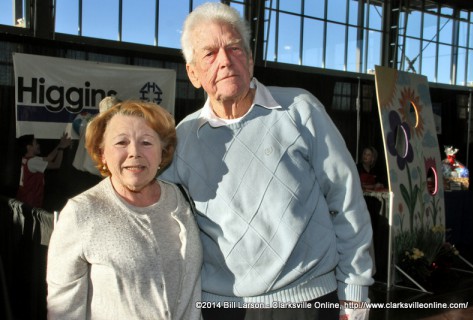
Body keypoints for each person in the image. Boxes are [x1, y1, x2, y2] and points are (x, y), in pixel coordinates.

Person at [160, 3, 373, 319]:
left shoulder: (300, 109)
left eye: (235, 48)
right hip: (222, 307)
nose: (226, 61)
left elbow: (346, 200)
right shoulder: (184, 137)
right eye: (210, 54)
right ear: (192, 73)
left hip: (308, 302)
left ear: (250, 58)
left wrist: (355, 292)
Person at [46, 101, 202, 320]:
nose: (134, 153)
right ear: (102, 155)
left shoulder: (180, 199)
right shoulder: (81, 213)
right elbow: (63, 310)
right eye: (121, 142)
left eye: (146, 142)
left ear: (162, 152)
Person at [16, 132, 71, 208]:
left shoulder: (27, 159)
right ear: (29, 147)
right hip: (31, 203)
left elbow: (49, 158)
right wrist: (61, 148)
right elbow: (56, 164)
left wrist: (60, 145)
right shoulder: (33, 161)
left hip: (24, 201)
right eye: (36, 143)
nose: (38, 145)